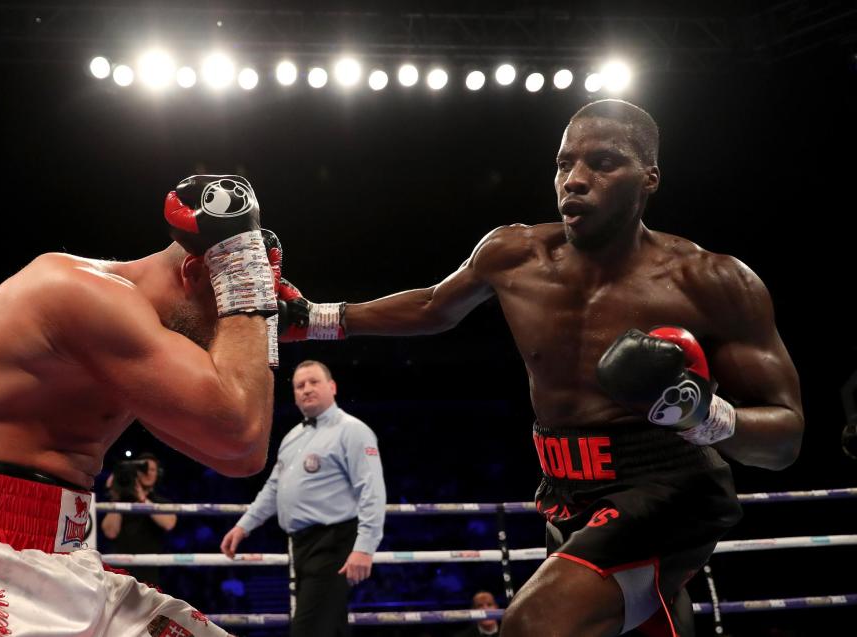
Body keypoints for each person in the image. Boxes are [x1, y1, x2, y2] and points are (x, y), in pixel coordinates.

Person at [275, 100, 805, 636]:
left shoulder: (712, 282)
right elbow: (433, 306)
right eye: (563, 163)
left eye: (602, 162)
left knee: (534, 625)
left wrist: (698, 413)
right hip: (563, 490)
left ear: (650, 178)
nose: (574, 180)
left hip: (665, 489)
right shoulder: (513, 255)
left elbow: (785, 438)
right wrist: (317, 318)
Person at [0, 174, 280, 636]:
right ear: (195, 273)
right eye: (224, 316)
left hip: (61, 554)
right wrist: (247, 291)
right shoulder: (79, 291)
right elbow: (239, 427)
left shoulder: (136, 352)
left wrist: (263, 326)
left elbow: (243, 456)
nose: (223, 338)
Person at [220, 359, 386, 637]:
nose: (306, 389)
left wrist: (365, 546)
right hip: (300, 545)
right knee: (331, 626)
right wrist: (244, 525)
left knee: (307, 628)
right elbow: (274, 488)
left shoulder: (353, 430)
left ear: (332, 387)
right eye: (300, 385)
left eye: (314, 382)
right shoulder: (292, 438)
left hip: (335, 542)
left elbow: (372, 490)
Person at [101, 452, 178, 586]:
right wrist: (116, 497)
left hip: (151, 571)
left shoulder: (161, 502)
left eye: (152, 469)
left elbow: (169, 524)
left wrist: (142, 499)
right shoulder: (120, 503)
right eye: (143, 468)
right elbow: (110, 532)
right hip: (121, 572)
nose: (148, 472)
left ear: (158, 473)